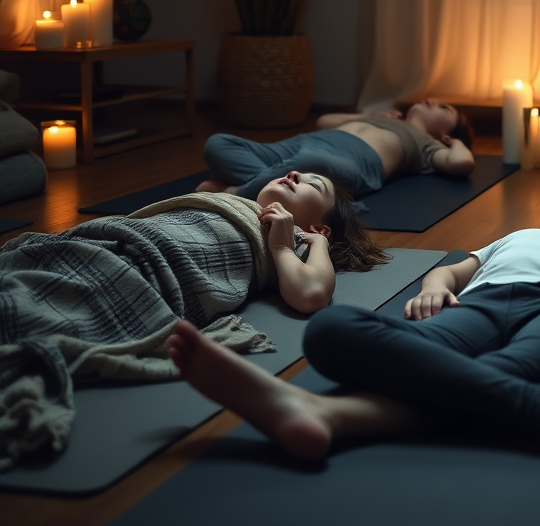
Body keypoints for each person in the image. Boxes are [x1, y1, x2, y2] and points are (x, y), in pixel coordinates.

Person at [169, 199, 540, 469]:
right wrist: (436, 286)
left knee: (499, 373)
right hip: (477, 305)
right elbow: (453, 272)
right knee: (330, 327)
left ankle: (329, 414)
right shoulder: (520, 235)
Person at [0, 171, 387, 470]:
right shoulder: (233, 202)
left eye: (312, 185)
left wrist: (298, 244)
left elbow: (311, 294)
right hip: (115, 239)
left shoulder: (295, 237)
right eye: (296, 172)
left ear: (319, 226)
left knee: (35, 304)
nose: (294, 176)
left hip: (147, 268)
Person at [197, 99, 476, 204]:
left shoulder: (428, 145)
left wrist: (454, 143)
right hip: (300, 144)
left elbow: (461, 163)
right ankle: (260, 185)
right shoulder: (388, 117)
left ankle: (235, 196)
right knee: (217, 143)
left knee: (310, 162)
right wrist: (370, 114)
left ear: (446, 133)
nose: (431, 100)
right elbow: (324, 121)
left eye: (444, 108)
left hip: (345, 163)